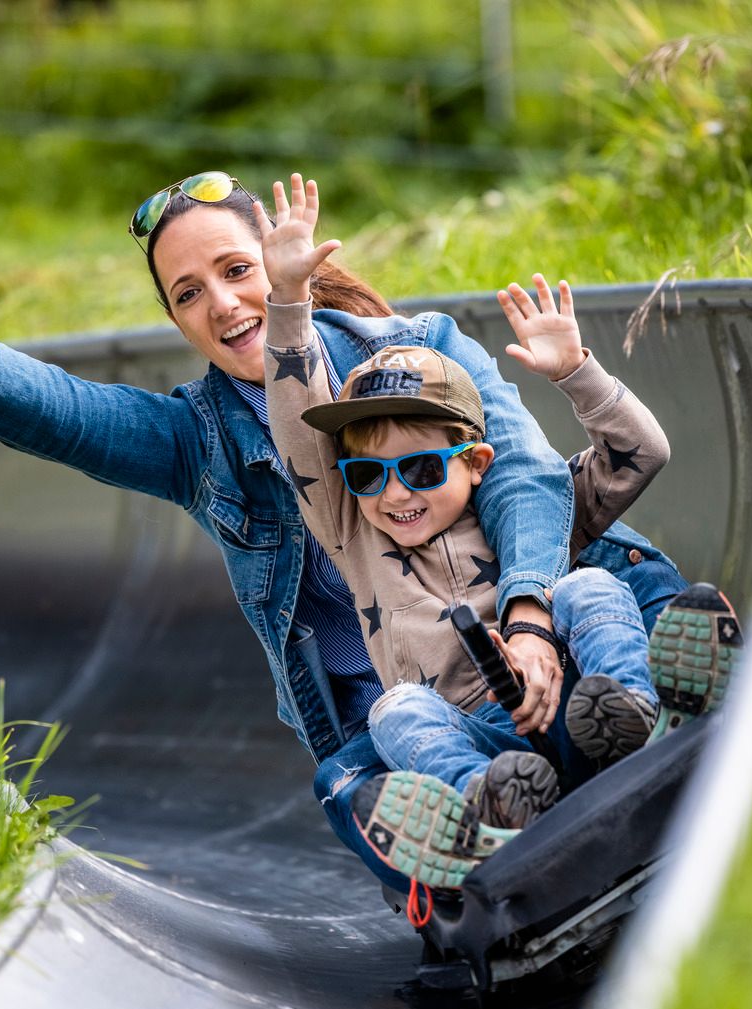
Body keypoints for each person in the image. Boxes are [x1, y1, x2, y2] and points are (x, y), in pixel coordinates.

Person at [0, 172, 714, 895]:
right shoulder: (201, 440)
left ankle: (660, 703)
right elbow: (59, 410)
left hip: (534, 631)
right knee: (353, 775)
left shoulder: (423, 353)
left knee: (615, 591)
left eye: (234, 271)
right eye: (187, 294)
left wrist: (530, 612)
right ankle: (478, 827)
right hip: (413, 693)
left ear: (282, 262)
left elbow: (528, 481)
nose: (219, 305)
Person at [256, 176, 679, 889]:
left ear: (476, 461)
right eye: (368, 475)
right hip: (480, 736)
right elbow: (299, 430)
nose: (393, 494)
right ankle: (490, 799)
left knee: (591, 584)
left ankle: (631, 707)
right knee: (395, 712)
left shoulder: (527, 520)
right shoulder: (353, 534)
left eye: (420, 469)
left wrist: (576, 372)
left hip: (574, 701)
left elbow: (641, 455)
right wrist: (289, 303)